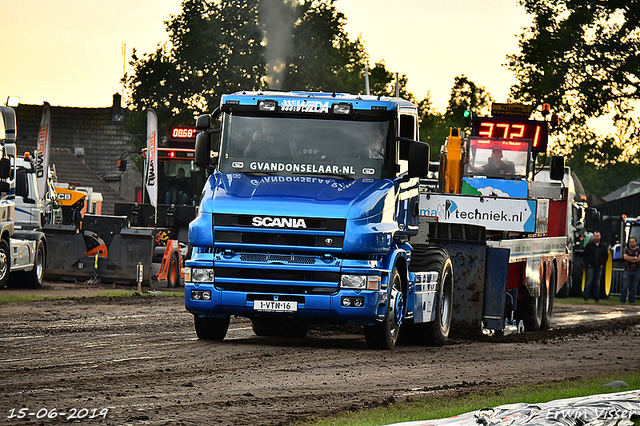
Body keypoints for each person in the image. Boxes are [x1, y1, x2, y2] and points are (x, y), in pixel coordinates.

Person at [583, 231, 608, 301]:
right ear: (593, 237)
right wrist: (588, 264)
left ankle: (597, 298)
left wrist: (602, 264)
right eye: (595, 236)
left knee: (597, 283)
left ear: (600, 237)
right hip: (590, 267)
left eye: (598, 236)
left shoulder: (603, 247)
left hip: (599, 267)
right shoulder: (589, 246)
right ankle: (586, 297)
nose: (596, 238)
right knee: (589, 282)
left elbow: (605, 256)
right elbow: (585, 255)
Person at [621, 237, 640, 304]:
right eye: (630, 242)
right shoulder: (626, 250)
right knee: (625, 286)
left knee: (634, 287)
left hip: (636, 271)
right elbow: (625, 257)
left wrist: (630, 259)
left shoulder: (638, 250)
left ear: (636, 242)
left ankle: (632, 301)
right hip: (627, 271)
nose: (632, 243)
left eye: (633, 241)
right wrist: (634, 258)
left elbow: (639, 259)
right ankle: (622, 301)